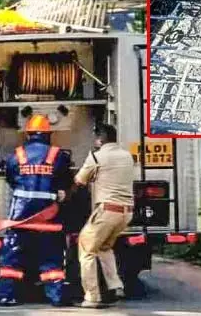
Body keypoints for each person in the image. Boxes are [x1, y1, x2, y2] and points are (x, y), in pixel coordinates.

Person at [0, 114, 72, 307]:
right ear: (49, 134)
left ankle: (6, 295)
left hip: (22, 218)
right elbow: (65, 181)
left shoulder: (17, 154)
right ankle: (56, 297)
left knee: (12, 258)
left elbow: (11, 179)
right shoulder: (58, 155)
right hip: (48, 219)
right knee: (51, 259)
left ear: (28, 134)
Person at [74, 123, 135, 309]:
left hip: (107, 212)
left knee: (86, 249)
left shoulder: (96, 157)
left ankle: (92, 297)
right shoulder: (127, 156)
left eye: (96, 137)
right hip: (125, 214)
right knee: (104, 247)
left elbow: (79, 180)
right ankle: (115, 287)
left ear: (101, 138)